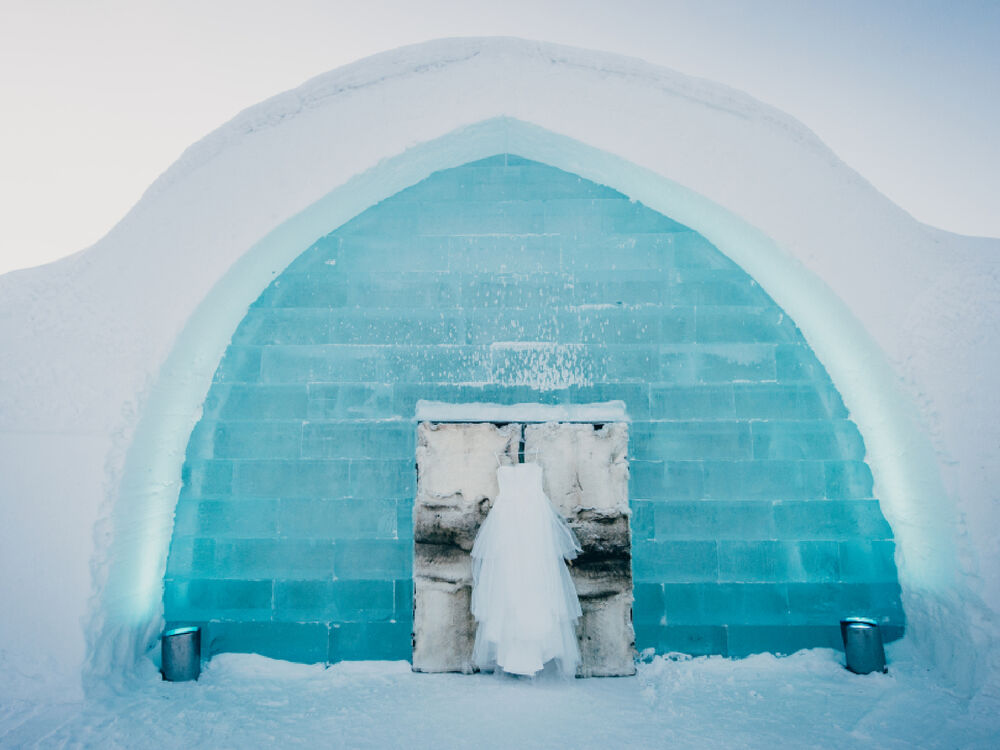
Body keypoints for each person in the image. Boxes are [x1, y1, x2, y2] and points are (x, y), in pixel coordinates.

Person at [469, 460, 583, 677]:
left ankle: (534, 649)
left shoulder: (533, 462)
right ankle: (513, 654)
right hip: (507, 524)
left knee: (535, 580)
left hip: (534, 522)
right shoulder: (499, 461)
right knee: (509, 582)